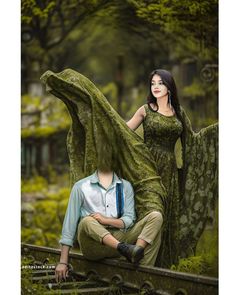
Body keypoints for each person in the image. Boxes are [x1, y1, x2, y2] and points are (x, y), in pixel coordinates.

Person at [41, 68, 218, 269]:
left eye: (161, 83)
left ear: (169, 86)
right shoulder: (145, 110)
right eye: (153, 83)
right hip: (144, 166)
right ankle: (134, 258)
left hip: (169, 173)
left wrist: (216, 133)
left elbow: (192, 143)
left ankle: (153, 268)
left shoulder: (179, 113)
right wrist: (102, 125)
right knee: (153, 209)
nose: (156, 87)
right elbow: (122, 131)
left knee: (164, 218)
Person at [55, 169, 163, 282]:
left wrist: (106, 220)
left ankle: (139, 271)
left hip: (118, 238)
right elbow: (69, 225)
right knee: (86, 221)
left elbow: (129, 220)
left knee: (155, 216)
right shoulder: (81, 186)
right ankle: (126, 249)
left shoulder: (124, 186)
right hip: (92, 245)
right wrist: (63, 262)